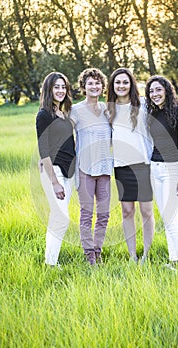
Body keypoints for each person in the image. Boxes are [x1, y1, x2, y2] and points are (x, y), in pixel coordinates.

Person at [106, 67, 154, 264]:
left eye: (125, 82)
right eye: (117, 82)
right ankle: (132, 255)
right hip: (121, 166)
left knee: (146, 211)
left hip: (143, 164)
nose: (121, 86)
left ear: (131, 84)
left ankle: (146, 255)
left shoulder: (143, 105)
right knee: (127, 211)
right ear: (112, 85)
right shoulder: (108, 109)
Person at [145, 75, 178, 269]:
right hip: (155, 169)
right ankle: (173, 261)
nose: (155, 94)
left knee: (171, 219)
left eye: (158, 90)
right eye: (151, 91)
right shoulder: (152, 114)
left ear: (167, 91)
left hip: (172, 170)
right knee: (166, 218)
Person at [70, 68, 113, 265]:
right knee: (86, 214)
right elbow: (61, 134)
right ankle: (90, 257)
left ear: (102, 87)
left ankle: (98, 251)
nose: (94, 86)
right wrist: (46, 156)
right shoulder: (75, 110)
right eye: (90, 83)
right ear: (83, 87)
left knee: (103, 214)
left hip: (104, 169)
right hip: (84, 169)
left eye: (97, 83)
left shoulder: (108, 109)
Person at [36, 72, 76, 267]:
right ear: (49, 89)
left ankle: (51, 260)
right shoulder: (44, 114)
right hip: (55, 172)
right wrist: (54, 181)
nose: (60, 90)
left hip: (69, 172)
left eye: (63, 87)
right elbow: (43, 149)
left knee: (57, 218)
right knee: (61, 218)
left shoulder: (64, 112)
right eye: (56, 87)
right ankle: (51, 263)